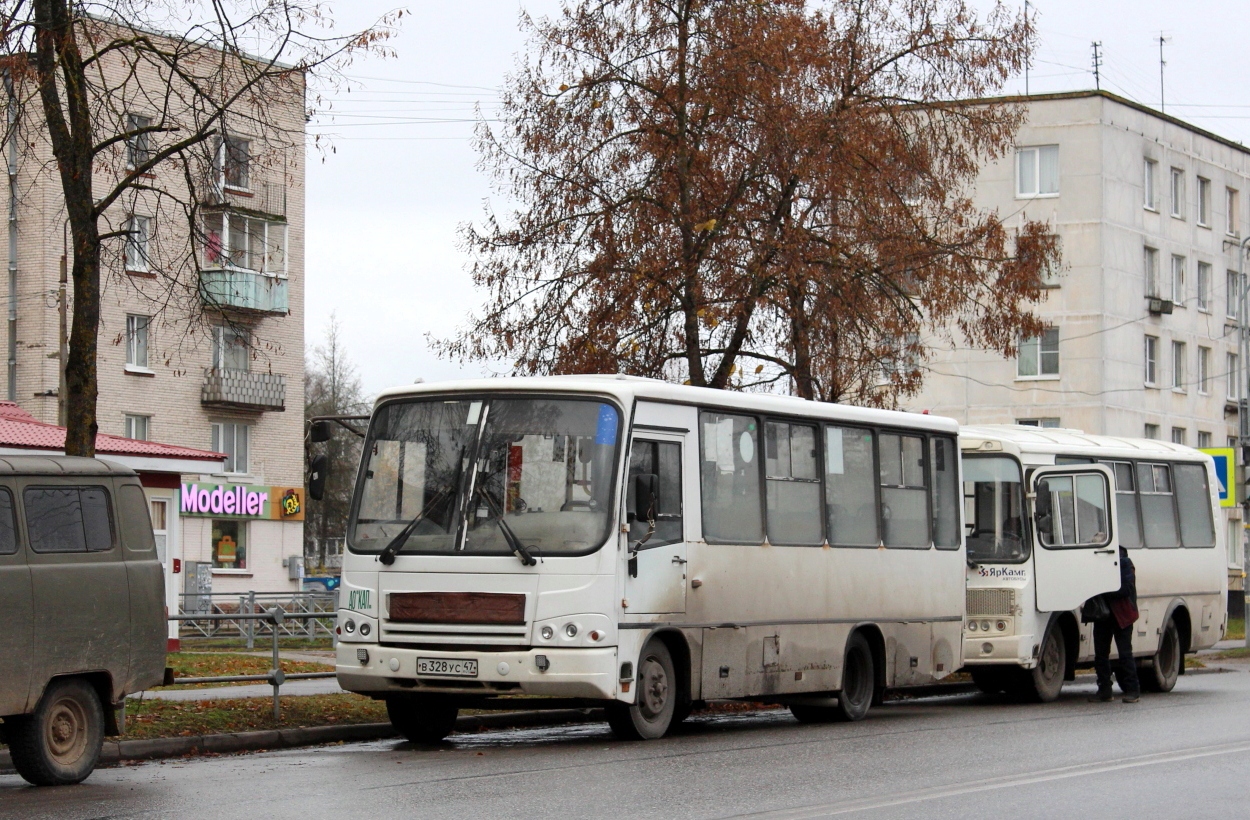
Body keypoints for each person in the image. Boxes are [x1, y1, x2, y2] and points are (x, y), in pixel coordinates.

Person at [1090, 546, 1140, 703]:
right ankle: (1105, 690)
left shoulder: (1124, 563)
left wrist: (1102, 590)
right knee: (1100, 655)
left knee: (1125, 654)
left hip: (1122, 615)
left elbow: (1126, 589)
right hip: (1103, 615)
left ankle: (1133, 691)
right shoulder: (1094, 564)